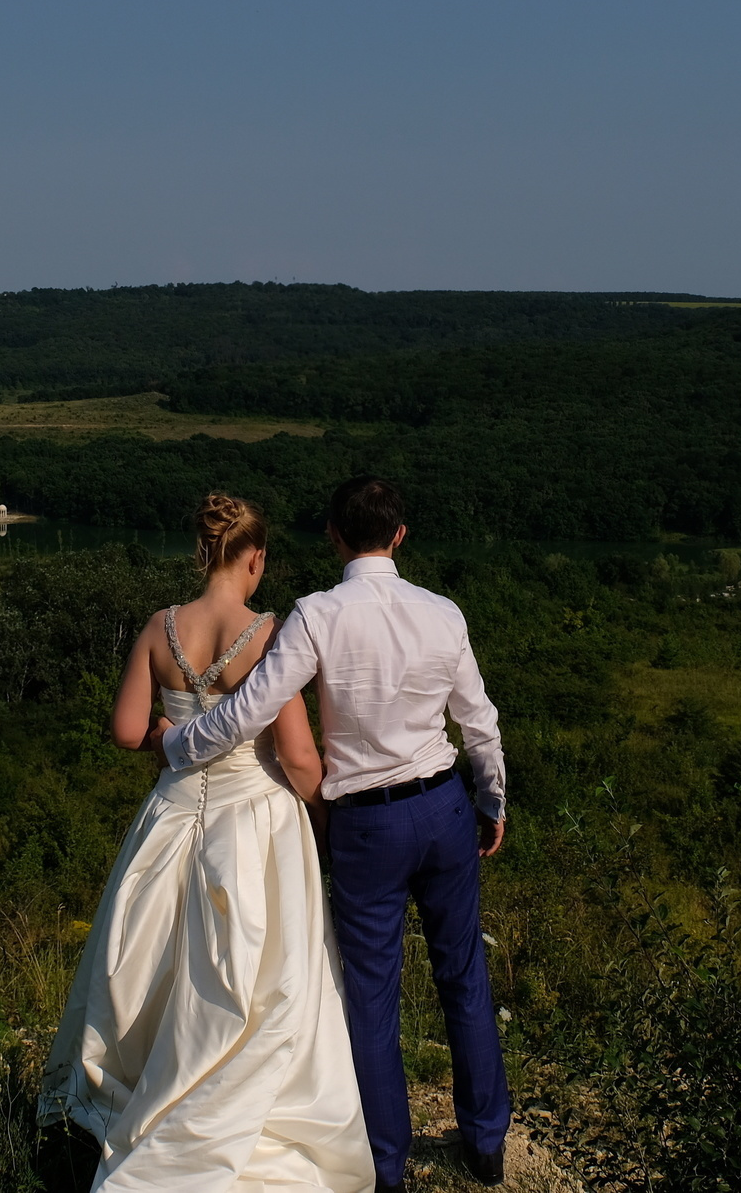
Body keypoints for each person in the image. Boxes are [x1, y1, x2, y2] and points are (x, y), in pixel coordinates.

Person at [160, 476, 511, 1193]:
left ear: (334, 536)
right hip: (443, 806)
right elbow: (478, 720)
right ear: (400, 535)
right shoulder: (443, 613)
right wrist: (491, 799)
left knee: (373, 995)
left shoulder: (316, 615)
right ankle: (487, 1143)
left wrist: (177, 744)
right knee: (464, 976)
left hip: (367, 824)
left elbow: (250, 711)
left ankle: (386, 1165)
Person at [38, 494, 375, 1192]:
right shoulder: (268, 634)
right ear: (255, 559)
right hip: (254, 819)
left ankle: (133, 1093)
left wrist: (169, 736)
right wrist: (325, 818)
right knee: (254, 974)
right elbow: (298, 755)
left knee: (151, 961)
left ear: (204, 553)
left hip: (172, 813)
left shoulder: (160, 628)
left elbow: (126, 730)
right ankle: (236, 1107)